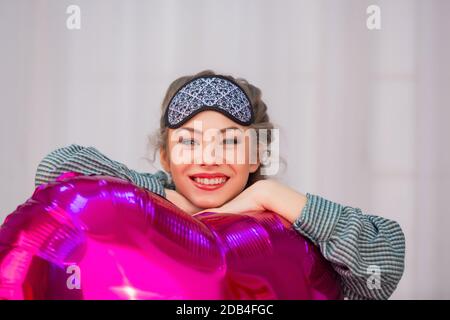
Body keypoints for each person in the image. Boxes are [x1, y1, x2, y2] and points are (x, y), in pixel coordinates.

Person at [35, 70, 405, 299]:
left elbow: (382, 265)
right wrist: (169, 205)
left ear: (257, 154)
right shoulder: (136, 200)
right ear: (165, 156)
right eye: (189, 142)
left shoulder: (288, 223)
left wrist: (269, 193)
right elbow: (57, 169)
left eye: (229, 141)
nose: (208, 158)